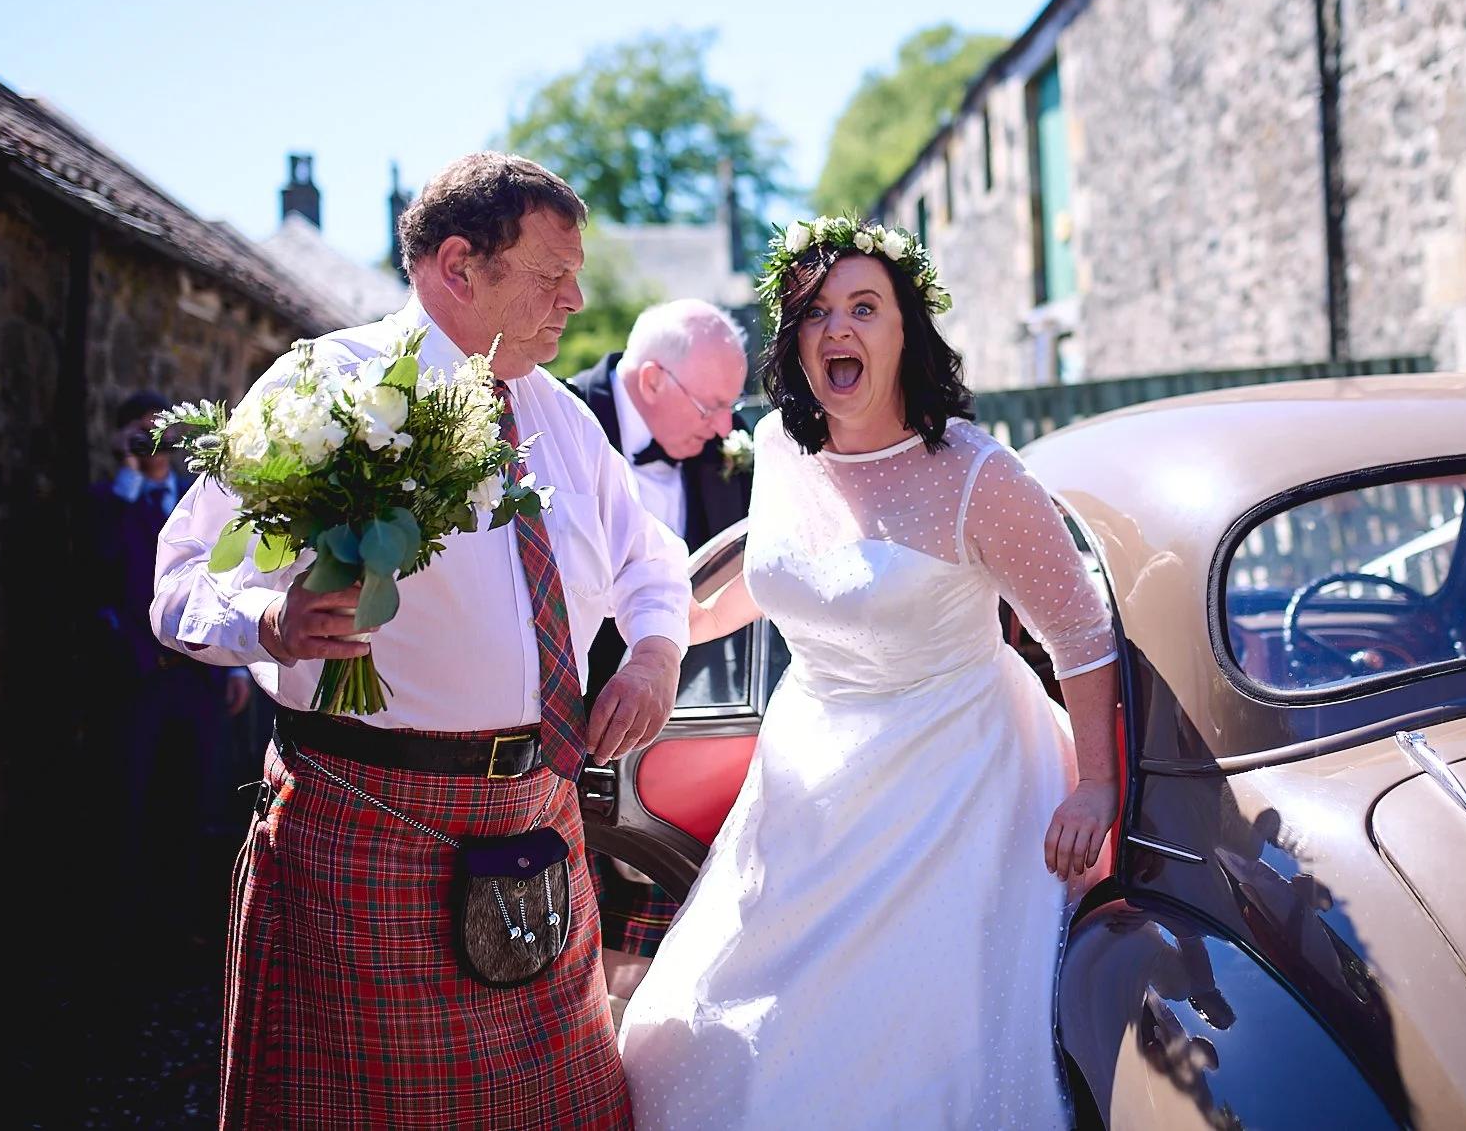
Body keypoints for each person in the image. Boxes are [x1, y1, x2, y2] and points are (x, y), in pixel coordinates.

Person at [151, 152, 690, 1131]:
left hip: (539, 823)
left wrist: (653, 654)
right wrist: (266, 623)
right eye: (549, 273)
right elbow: (184, 574)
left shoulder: (563, 421)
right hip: (367, 827)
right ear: (457, 266)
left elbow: (652, 562)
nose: (574, 298)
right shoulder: (324, 387)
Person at [615, 219, 1120, 1130]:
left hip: (956, 780)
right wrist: (662, 627)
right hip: (807, 775)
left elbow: (1083, 636)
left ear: (903, 330)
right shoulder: (776, 446)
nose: (838, 328)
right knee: (722, 1016)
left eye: (864, 307)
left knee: (897, 1039)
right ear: (795, 341)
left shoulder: (978, 475)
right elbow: (772, 581)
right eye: (816, 313)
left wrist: (1095, 788)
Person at [566, 300, 754, 980]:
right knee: (575, 954)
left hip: (697, 735)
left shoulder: (727, 449)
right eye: (710, 405)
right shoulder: (557, 423)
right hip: (577, 741)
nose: (726, 427)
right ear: (651, 381)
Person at [89, 391, 250, 939]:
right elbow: (98, 564)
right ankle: (121, 916)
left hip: (196, 676)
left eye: (159, 432)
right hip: (136, 677)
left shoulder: (192, 499)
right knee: (126, 791)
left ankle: (177, 915)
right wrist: (127, 475)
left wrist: (232, 668)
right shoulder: (107, 500)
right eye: (139, 432)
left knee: (192, 788)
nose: (152, 443)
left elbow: (225, 578)